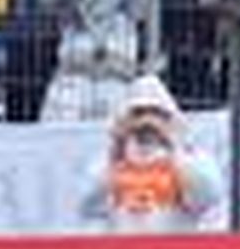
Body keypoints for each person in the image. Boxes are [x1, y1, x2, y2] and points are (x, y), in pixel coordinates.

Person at [79, 73, 223, 230]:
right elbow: (86, 204)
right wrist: (115, 153)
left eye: (155, 113)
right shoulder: (109, 162)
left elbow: (208, 196)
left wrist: (174, 147)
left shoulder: (191, 157)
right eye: (139, 113)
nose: (147, 122)